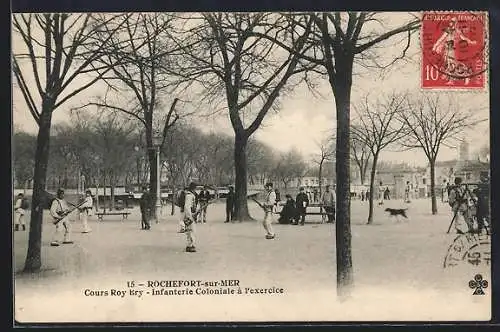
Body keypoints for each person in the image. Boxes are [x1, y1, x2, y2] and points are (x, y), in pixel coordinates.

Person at [183, 182, 198, 252]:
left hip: (190, 214)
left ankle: (190, 244)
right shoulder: (189, 196)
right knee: (191, 230)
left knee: (190, 230)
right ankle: (190, 245)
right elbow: (187, 207)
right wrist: (190, 216)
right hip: (189, 215)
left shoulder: (189, 195)